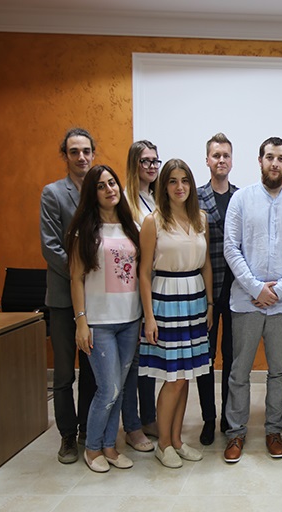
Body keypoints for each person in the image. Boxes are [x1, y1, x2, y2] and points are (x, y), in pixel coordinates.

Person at [222, 137, 282, 463]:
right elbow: (231, 248)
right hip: (246, 303)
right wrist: (256, 288)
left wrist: (279, 290)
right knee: (239, 372)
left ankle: (273, 430)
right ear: (260, 161)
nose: (275, 163)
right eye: (269, 157)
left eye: (280, 159)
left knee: (279, 372)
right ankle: (236, 434)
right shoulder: (241, 200)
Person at [68, 165, 142, 472]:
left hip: (130, 319)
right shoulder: (83, 231)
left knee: (120, 388)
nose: (110, 189)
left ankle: (110, 446)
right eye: (101, 186)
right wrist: (81, 321)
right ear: (92, 193)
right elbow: (75, 278)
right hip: (99, 322)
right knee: (108, 388)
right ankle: (93, 448)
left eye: (112, 183)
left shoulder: (131, 226)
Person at [139, 159, 212, 469]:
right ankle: (163, 444)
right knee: (172, 378)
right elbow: (143, 273)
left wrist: (209, 305)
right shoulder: (153, 221)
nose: (179, 186)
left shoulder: (201, 218)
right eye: (172, 181)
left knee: (186, 377)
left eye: (184, 180)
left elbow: (206, 264)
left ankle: (178, 440)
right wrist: (149, 317)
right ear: (163, 186)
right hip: (166, 299)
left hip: (195, 299)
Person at [40, 127, 98, 464]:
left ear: (93, 154)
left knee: (91, 370)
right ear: (65, 155)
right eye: (74, 151)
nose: (81, 157)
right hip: (64, 298)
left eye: (86, 151)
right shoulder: (53, 193)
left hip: (95, 301)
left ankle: (87, 429)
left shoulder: (98, 190)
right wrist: (82, 275)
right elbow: (50, 247)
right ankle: (66, 436)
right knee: (64, 372)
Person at [196, 133, 239, 445]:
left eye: (226, 155)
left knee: (232, 357)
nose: (221, 160)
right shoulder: (194, 198)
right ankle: (208, 418)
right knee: (205, 357)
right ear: (207, 160)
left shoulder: (242, 197)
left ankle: (228, 415)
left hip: (237, 291)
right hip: (206, 291)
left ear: (231, 160)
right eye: (216, 155)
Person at [120, 140, 160, 453]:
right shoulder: (124, 201)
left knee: (147, 359)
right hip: (131, 288)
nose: (151, 167)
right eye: (145, 161)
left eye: (155, 161)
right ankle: (132, 425)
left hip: (155, 286)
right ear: (134, 165)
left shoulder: (155, 197)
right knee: (132, 363)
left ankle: (148, 417)